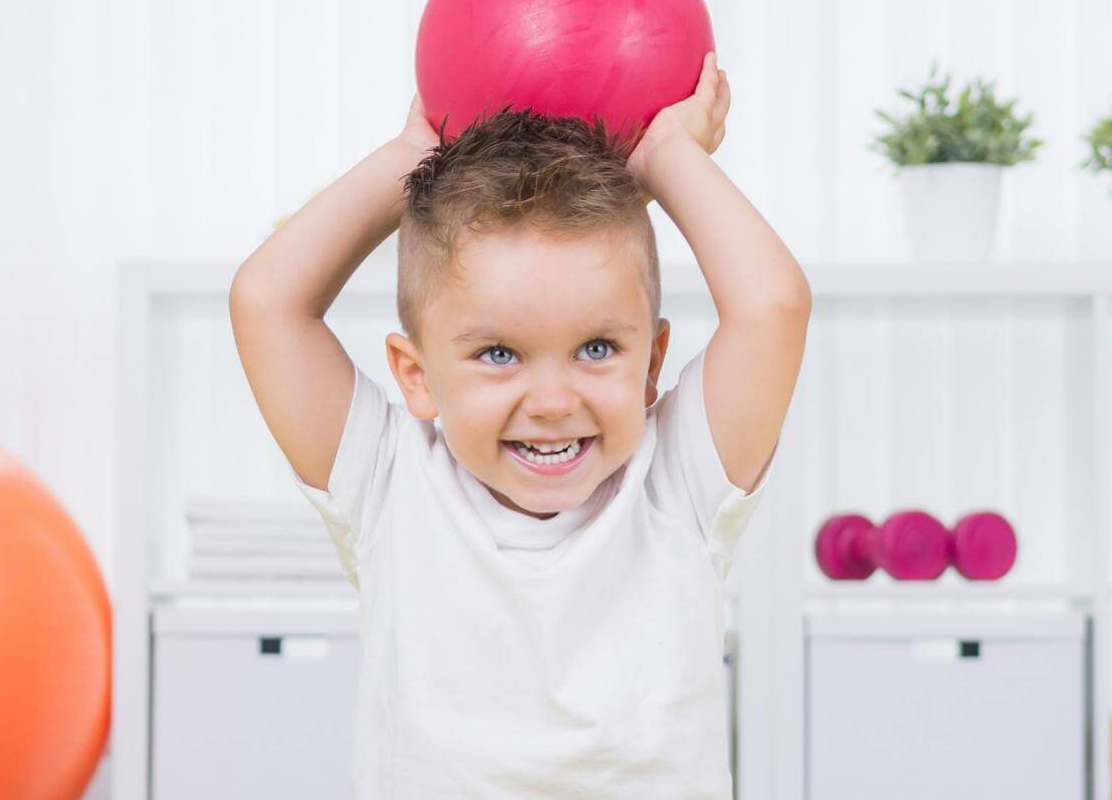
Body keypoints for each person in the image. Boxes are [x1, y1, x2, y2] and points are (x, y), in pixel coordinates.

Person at [230, 53, 810, 797]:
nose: (551, 400)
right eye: (499, 353)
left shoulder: (678, 481)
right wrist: (414, 156)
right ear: (416, 376)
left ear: (652, 360)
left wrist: (670, 156)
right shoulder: (388, 483)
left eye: (597, 349)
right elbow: (266, 300)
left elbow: (773, 307)